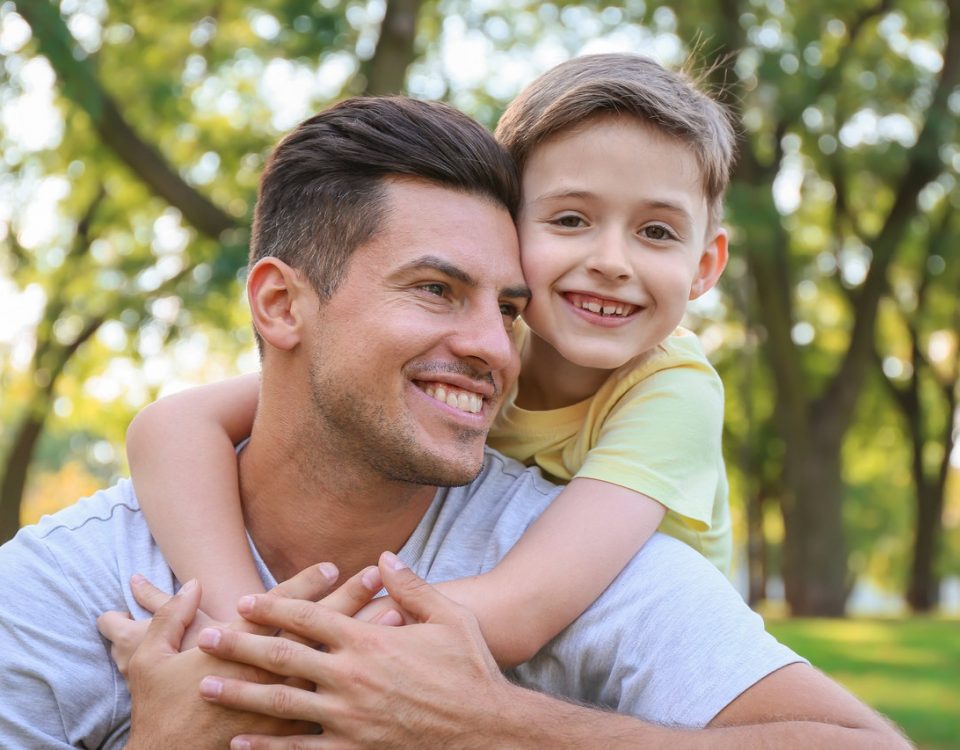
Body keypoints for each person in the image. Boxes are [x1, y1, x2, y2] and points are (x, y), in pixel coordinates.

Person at [0, 95, 908, 749]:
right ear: (280, 306)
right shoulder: (73, 584)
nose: (494, 350)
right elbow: (170, 423)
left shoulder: (595, 540)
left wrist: (496, 725)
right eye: (437, 289)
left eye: (509, 308)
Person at [117, 53, 733, 668]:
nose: (612, 261)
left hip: (657, 681)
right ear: (506, 232)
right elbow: (169, 426)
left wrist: (268, 649)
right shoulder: (475, 353)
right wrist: (232, 617)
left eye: (657, 232)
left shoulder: (672, 392)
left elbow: (518, 610)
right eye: (570, 219)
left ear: (705, 265)